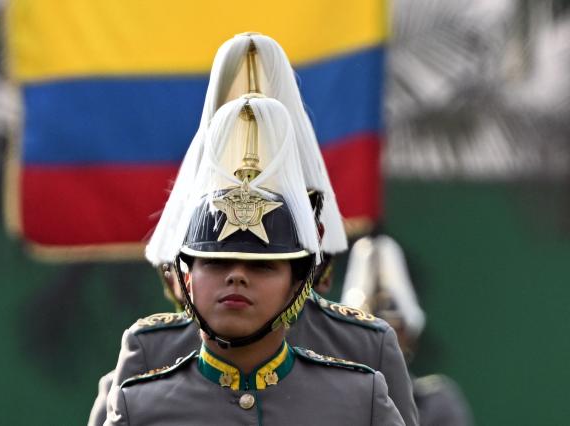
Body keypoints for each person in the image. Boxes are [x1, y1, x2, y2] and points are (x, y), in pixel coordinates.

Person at [89, 33, 417, 426]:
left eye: (263, 261)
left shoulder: (364, 352)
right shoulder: (149, 354)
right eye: (217, 257)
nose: (237, 274)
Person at [341, 232, 474, 426]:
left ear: (407, 337)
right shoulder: (330, 401)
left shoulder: (438, 405)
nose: (382, 342)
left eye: (393, 331)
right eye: (366, 332)